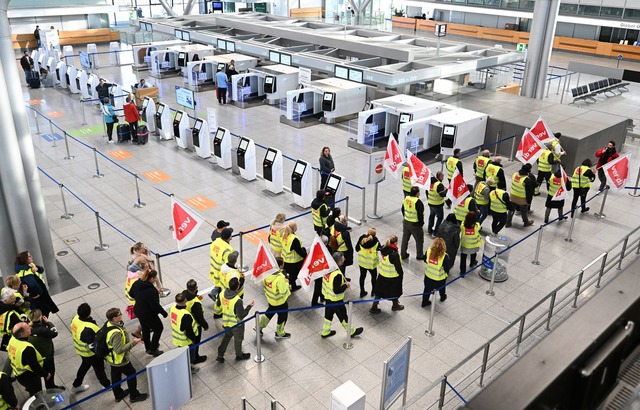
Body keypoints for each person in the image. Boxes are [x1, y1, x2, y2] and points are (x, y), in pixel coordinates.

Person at [104, 308, 148, 403]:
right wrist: (133, 343)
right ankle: (134, 396)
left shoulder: (108, 324)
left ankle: (118, 394)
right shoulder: (116, 333)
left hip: (112, 358)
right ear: (114, 318)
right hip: (120, 359)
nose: (121, 314)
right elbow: (119, 350)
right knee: (131, 373)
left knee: (115, 376)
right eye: (119, 314)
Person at [320, 252, 364, 338]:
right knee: (343, 316)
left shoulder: (326, 268)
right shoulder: (337, 274)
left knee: (328, 315)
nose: (344, 260)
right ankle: (351, 331)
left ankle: (325, 331)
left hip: (328, 297)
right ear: (339, 261)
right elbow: (337, 290)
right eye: (343, 259)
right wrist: (345, 285)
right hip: (336, 300)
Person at [70, 303, 111, 394]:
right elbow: (93, 345)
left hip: (81, 351)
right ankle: (106, 385)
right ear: (89, 313)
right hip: (90, 353)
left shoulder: (75, 318)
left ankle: (76, 385)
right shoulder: (88, 329)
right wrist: (103, 354)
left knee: (85, 366)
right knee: (99, 368)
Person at [130, 269, 168, 357]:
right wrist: (164, 313)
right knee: (158, 328)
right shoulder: (151, 290)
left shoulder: (137, 283)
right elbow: (155, 306)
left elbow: (131, 294)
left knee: (145, 329)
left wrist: (140, 297)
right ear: (150, 278)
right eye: (154, 278)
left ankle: (148, 348)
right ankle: (153, 349)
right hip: (148, 314)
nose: (155, 280)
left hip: (139, 310)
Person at [216, 277, 254, 363]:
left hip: (226, 322)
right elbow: (242, 315)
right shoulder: (237, 300)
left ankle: (220, 354)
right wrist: (249, 307)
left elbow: (218, 304)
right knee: (238, 340)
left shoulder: (222, 293)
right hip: (236, 325)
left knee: (227, 337)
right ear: (238, 287)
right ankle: (239, 355)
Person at [7, 322, 48, 397]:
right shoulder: (26, 348)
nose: (30, 329)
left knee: (31, 389)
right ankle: (39, 406)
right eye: (28, 329)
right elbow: (34, 366)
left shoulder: (13, 338)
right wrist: (46, 374)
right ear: (22, 334)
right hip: (29, 377)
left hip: (18, 374)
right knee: (36, 393)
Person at [14, 251, 58, 317]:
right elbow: (33, 284)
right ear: (24, 260)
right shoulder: (26, 272)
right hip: (38, 297)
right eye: (29, 256)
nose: (31, 256)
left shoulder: (29, 265)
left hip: (38, 294)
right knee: (43, 311)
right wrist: (40, 293)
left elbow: (41, 269)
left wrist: (37, 268)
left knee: (45, 309)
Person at [27, 309, 63, 390]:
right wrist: (48, 322)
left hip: (36, 356)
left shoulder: (27, 329)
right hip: (47, 356)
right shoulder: (43, 330)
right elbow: (54, 333)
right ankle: (50, 387)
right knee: (50, 372)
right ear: (40, 318)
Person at [258, 257, 291, 339]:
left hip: (270, 299)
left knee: (269, 313)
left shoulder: (266, 273)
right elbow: (284, 292)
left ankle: (259, 326)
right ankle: (279, 333)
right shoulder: (280, 278)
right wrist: (287, 283)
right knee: (282, 316)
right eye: (283, 264)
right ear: (280, 266)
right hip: (280, 302)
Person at [370, 235, 404, 313]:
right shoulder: (394, 254)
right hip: (392, 277)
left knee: (379, 292)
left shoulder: (384, 248)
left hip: (382, 274)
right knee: (395, 291)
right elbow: (398, 267)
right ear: (395, 242)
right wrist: (401, 275)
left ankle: (374, 306)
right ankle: (395, 305)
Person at [169, 293, 200, 373]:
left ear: (175, 301)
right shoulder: (185, 315)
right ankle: (189, 368)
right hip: (186, 340)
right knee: (189, 356)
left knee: (182, 353)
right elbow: (189, 331)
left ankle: (184, 365)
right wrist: (194, 339)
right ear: (185, 301)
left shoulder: (172, 308)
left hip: (177, 337)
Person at [182, 280, 208, 364]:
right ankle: (195, 358)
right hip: (195, 325)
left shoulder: (183, 293)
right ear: (196, 288)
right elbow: (199, 317)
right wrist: (205, 325)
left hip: (185, 321)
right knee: (196, 342)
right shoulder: (195, 303)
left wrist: (196, 296)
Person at [421, 238, 452, 307]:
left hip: (428, 275)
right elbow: (447, 268)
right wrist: (446, 274)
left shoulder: (429, 251)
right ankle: (442, 297)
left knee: (427, 289)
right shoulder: (444, 256)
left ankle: (424, 302)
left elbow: (425, 260)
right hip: (439, 278)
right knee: (442, 288)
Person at [208, 227, 234, 304]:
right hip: (221, 272)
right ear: (229, 237)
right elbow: (228, 265)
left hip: (214, 269)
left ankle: (213, 293)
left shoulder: (215, 242)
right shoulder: (228, 249)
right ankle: (219, 303)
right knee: (223, 287)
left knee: (219, 284)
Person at [281, 221, 307, 292]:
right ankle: (287, 288)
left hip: (286, 259)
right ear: (294, 228)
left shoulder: (284, 234)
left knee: (290, 275)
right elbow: (299, 251)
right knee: (293, 276)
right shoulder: (294, 239)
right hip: (294, 262)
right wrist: (306, 255)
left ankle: (293, 286)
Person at [400, 186, 425, 261]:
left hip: (406, 222)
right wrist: (421, 223)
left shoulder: (406, 199)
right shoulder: (418, 202)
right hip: (415, 224)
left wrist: (406, 217)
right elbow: (420, 215)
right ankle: (419, 255)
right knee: (419, 239)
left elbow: (402, 209)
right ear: (417, 193)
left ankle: (403, 254)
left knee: (405, 239)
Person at [355, 228, 380, 298]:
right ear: (374, 234)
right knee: (373, 277)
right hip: (371, 264)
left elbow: (357, 249)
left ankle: (362, 291)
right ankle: (373, 291)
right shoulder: (375, 241)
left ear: (368, 233)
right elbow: (379, 248)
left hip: (362, 262)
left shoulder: (361, 239)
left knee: (362, 276)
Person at [427, 171, 447, 236]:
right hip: (438, 205)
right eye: (442, 175)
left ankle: (429, 230)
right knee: (440, 218)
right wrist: (447, 190)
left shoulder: (430, 183)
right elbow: (442, 194)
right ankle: (435, 232)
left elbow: (426, 192)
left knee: (431, 216)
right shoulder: (439, 185)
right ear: (440, 176)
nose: (443, 177)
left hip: (430, 203)